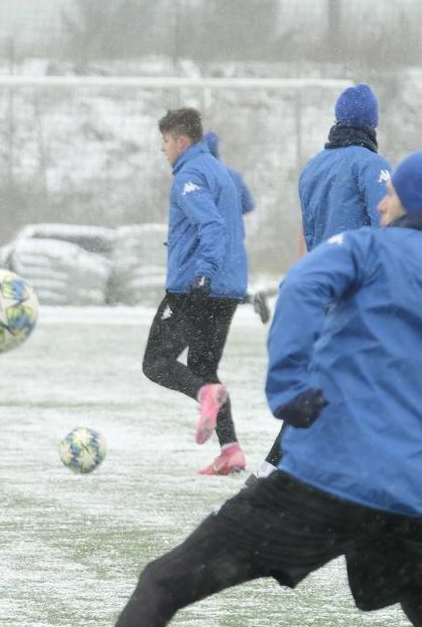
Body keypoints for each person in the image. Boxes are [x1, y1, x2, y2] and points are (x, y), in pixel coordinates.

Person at [8, 150, 422, 627]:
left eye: (391, 191)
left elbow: (305, 285)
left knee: (162, 584)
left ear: (402, 200)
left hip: (321, 486)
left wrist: (287, 387)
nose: (382, 197)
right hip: (409, 499)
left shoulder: (364, 247)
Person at [254, 83, 391, 480]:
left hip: (322, 291)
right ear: (372, 123)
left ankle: (277, 468)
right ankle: (278, 469)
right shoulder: (371, 166)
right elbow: (388, 226)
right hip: (360, 293)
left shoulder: (313, 167)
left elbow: (308, 233)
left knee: (330, 382)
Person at [141, 108, 249, 476]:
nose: (163, 148)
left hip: (196, 288)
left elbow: (212, 225)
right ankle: (231, 449)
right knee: (204, 367)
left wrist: (203, 273)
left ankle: (205, 397)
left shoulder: (190, 174)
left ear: (181, 141)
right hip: (228, 288)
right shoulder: (221, 171)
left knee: (156, 363)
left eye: (166, 141)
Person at [205, 130, 270, 325]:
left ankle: (205, 341)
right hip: (234, 241)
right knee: (228, 288)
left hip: (211, 241)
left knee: (211, 292)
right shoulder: (234, 177)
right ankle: (251, 298)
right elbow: (249, 205)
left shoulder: (200, 178)